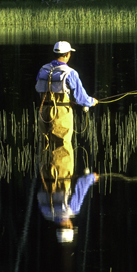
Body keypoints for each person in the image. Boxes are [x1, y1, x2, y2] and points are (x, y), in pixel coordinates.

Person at [36, 40, 98, 181]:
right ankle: (61, 178)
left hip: (43, 110)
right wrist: (92, 102)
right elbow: (81, 97)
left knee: (45, 145)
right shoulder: (70, 73)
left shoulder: (43, 70)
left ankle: (48, 178)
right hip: (61, 112)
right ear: (68, 55)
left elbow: (38, 88)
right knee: (62, 146)